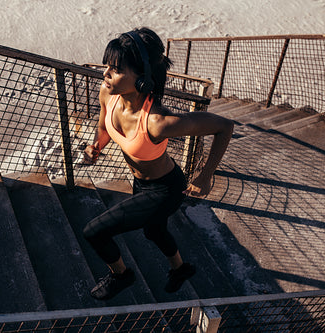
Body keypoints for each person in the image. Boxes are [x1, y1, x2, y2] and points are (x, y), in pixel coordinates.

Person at [83, 27, 234, 301]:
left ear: (141, 80)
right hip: (141, 183)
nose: (106, 73)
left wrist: (205, 176)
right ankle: (181, 269)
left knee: (94, 232)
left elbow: (225, 127)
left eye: (115, 70)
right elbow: (103, 125)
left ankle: (121, 275)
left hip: (166, 189)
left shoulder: (157, 122)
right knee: (155, 230)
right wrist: (96, 146)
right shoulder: (108, 94)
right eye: (107, 65)